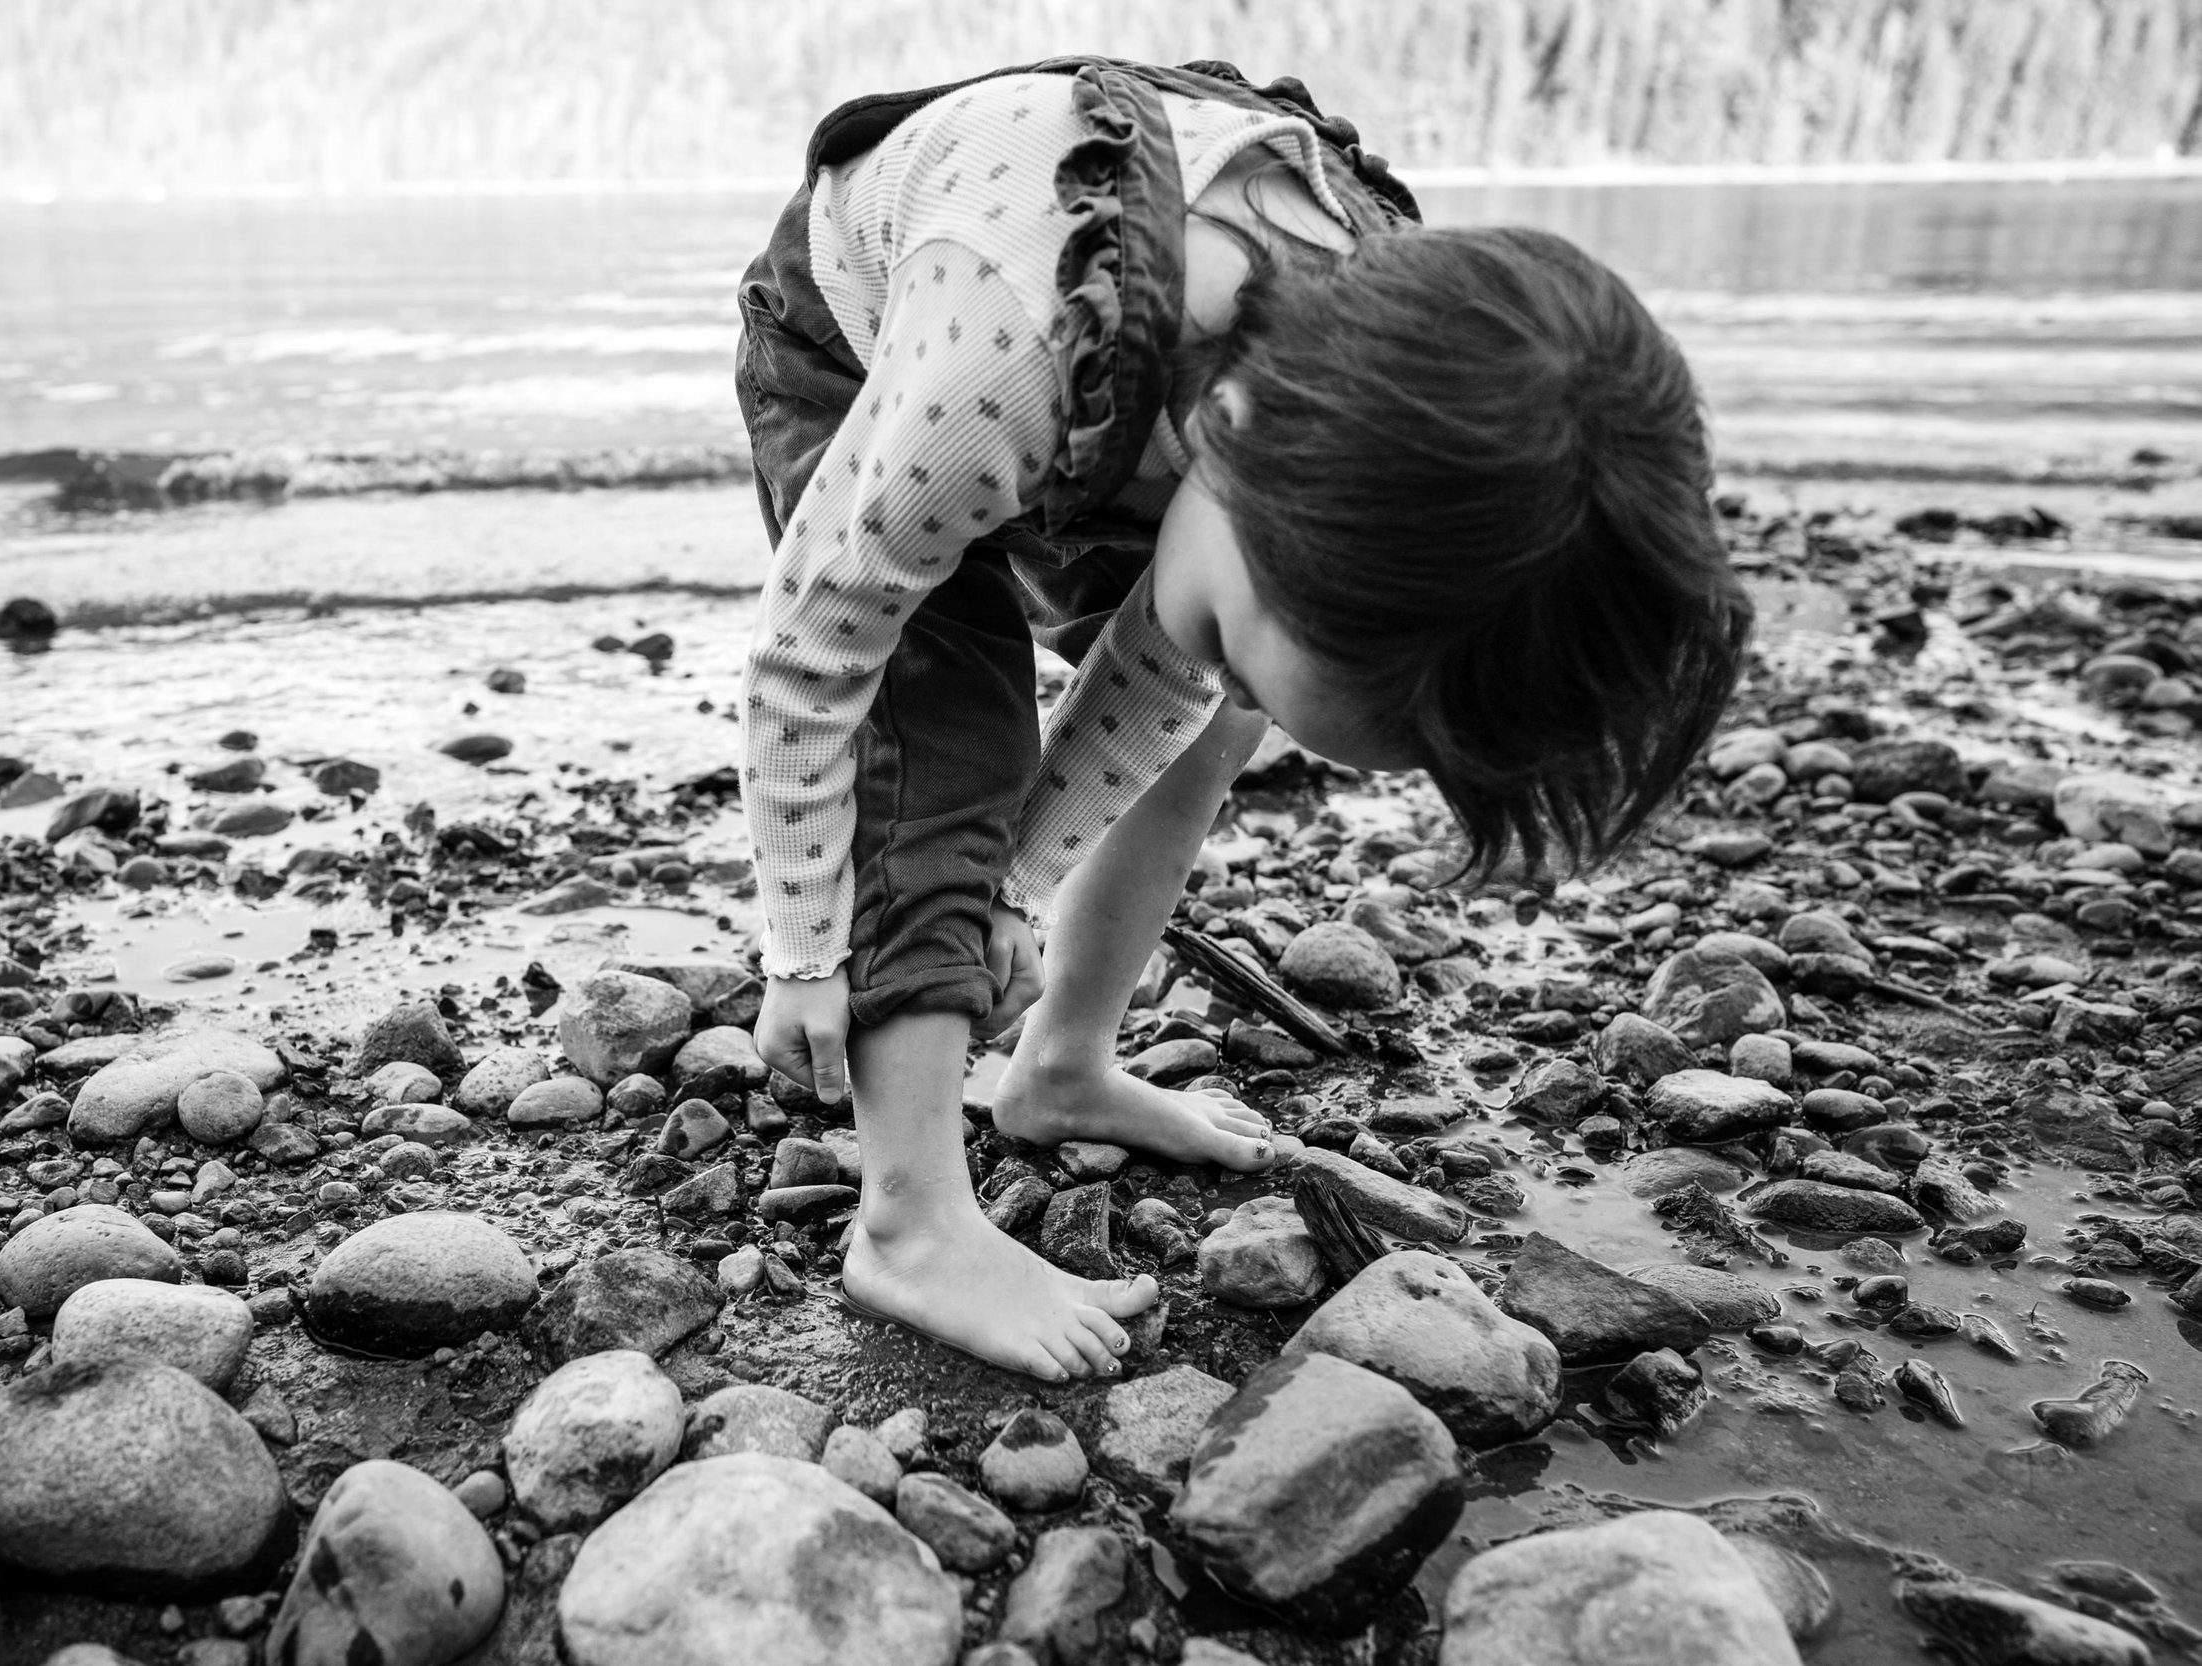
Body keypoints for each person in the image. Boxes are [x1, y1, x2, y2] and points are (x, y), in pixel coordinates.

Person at [730, 56, 1751, 1382]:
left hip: (1143, 380)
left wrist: (1015, 894)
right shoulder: (994, 366)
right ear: (1231, 428)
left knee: (1202, 708)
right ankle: (911, 1220)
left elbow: (1167, 674)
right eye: (1254, 659)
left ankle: (1063, 1066)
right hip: (870, 322)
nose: (1231, 681)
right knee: (941, 739)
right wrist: (809, 947)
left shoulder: (1401, 394)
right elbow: (816, 647)